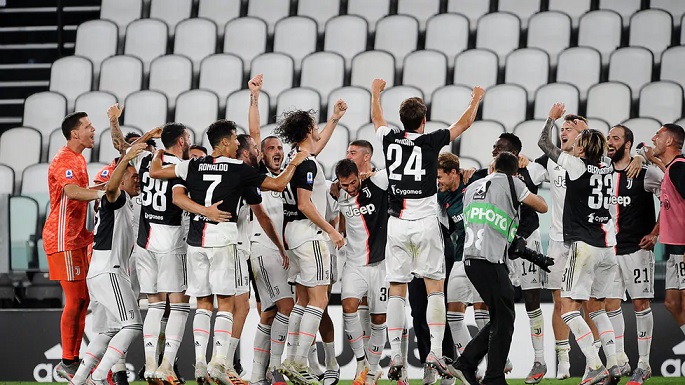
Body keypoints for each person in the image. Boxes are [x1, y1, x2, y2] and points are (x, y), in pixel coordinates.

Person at [150, 119, 310, 385]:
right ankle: (218, 363)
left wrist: (157, 152)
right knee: (226, 304)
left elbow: (156, 172)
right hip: (223, 240)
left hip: (195, 242)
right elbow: (279, 184)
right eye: (235, 139)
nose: (238, 143)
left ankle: (200, 364)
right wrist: (296, 162)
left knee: (202, 303)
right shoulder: (238, 168)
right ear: (224, 142)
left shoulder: (193, 164)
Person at [370, 78, 484, 380]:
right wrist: (475, 99)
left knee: (397, 289)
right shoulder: (431, 141)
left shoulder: (389, 139)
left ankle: (395, 355)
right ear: (423, 119)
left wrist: (375, 92)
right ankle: (434, 350)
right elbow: (464, 124)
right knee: (435, 287)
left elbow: (377, 119)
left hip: (396, 225)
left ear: (402, 119)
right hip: (425, 223)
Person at [538, 102, 621, 385]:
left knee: (569, 308)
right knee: (597, 308)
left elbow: (542, 143)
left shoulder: (574, 165)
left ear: (583, 146)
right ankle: (615, 362)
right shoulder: (609, 167)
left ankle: (595, 364)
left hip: (582, 246)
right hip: (607, 247)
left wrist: (550, 120)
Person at [448, 152, 548, 385]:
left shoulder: (473, 186)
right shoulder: (513, 182)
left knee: (501, 316)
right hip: (490, 260)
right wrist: (522, 188)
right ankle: (490, 376)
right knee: (505, 317)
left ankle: (468, 364)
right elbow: (542, 206)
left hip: (470, 259)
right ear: (514, 172)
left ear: (493, 167)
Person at [274, 105, 347, 385]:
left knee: (302, 301)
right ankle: (297, 361)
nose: (318, 131)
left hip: (292, 233)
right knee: (319, 300)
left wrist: (335, 120)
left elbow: (317, 146)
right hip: (309, 233)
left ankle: (292, 359)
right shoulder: (306, 162)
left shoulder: (297, 158)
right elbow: (305, 204)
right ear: (307, 131)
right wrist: (332, 230)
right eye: (315, 127)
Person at [118, 121, 192, 385]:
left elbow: (124, 148)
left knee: (155, 305)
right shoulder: (183, 168)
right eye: (188, 138)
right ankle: (166, 365)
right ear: (182, 141)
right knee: (180, 305)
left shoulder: (147, 159)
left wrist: (149, 135)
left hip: (143, 242)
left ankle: (149, 364)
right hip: (170, 240)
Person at [70, 143, 146, 385]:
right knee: (133, 325)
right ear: (121, 181)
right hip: (110, 271)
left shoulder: (127, 201)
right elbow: (111, 188)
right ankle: (100, 376)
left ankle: (79, 379)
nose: (138, 181)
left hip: (101, 272)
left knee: (109, 331)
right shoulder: (117, 197)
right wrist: (125, 160)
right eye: (133, 177)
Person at [42, 112, 101, 381]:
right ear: (75, 134)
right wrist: (104, 192)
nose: (93, 130)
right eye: (88, 127)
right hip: (63, 238)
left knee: (83, 299)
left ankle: (72, 361)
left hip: (78, 237)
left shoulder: (78, 158)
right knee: (76, 299)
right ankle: (67, 361)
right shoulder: (64, 159)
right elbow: (73, 192)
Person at [603, 124, 663, 385]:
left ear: (627, 144)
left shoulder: (645, 172)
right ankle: (620, 359)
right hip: (608, 249)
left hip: (637, 248)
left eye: (615, 138)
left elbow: (670, 196)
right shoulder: (603, 172)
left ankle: (644, 364)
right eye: (608, 138)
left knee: (640, 304)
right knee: (610, 304)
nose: (609, 142)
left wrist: (656, 232)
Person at [245, 75, 293, 385]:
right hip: (263, 248)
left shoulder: (288, 174)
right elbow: (254, 132)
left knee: (270, 312)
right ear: (262, 154)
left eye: (280, 147)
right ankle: (275, 369)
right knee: (287, 307)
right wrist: (255, 96)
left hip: (277, 252)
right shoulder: (257, 173)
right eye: (270, 147)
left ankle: (257, 375)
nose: (276, 150)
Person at [335, 156, 389, 385]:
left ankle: (373, 371)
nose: (349, 188)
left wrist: (372, 173)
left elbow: (400, 164)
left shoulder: (378, 183)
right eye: (344, 184)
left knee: (378, 319)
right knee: (348, 308)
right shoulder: (337, 192)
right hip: (354, 264)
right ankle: (360, 361)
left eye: (353, 182)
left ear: (359, 175)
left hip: (380, 265)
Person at [437, 153, 489, 382]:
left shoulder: (477, 179)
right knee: (454, 314)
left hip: (482, 256)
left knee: (482, 311)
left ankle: (494, 362)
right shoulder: (442, 197)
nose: (438, 181)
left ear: (454, 172)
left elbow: (502, 174)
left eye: (440, 177)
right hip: (460, 258)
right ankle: (469, 365)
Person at [651, 124, 685, 381]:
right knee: (672, 304)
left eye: (659, 134)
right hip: (673, 250)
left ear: (671, 140)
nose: (654, 137)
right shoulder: (671, 170)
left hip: (684, 249)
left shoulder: (680, 168)